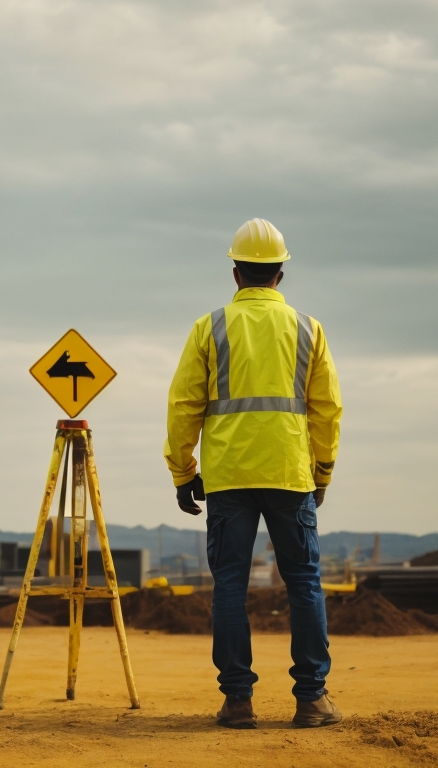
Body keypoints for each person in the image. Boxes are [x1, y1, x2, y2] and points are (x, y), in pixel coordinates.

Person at [163, 219, 343, 729]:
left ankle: (238, 701)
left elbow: (183, 407)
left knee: (229, 585)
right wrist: (322, 471)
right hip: (291, 472)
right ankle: (311, 699)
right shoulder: (309, 329)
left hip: (229, 477)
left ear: (236, 272)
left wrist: (183, 472)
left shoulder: (210, 327)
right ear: (280, 274)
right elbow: (327, 409)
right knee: (304, 581)